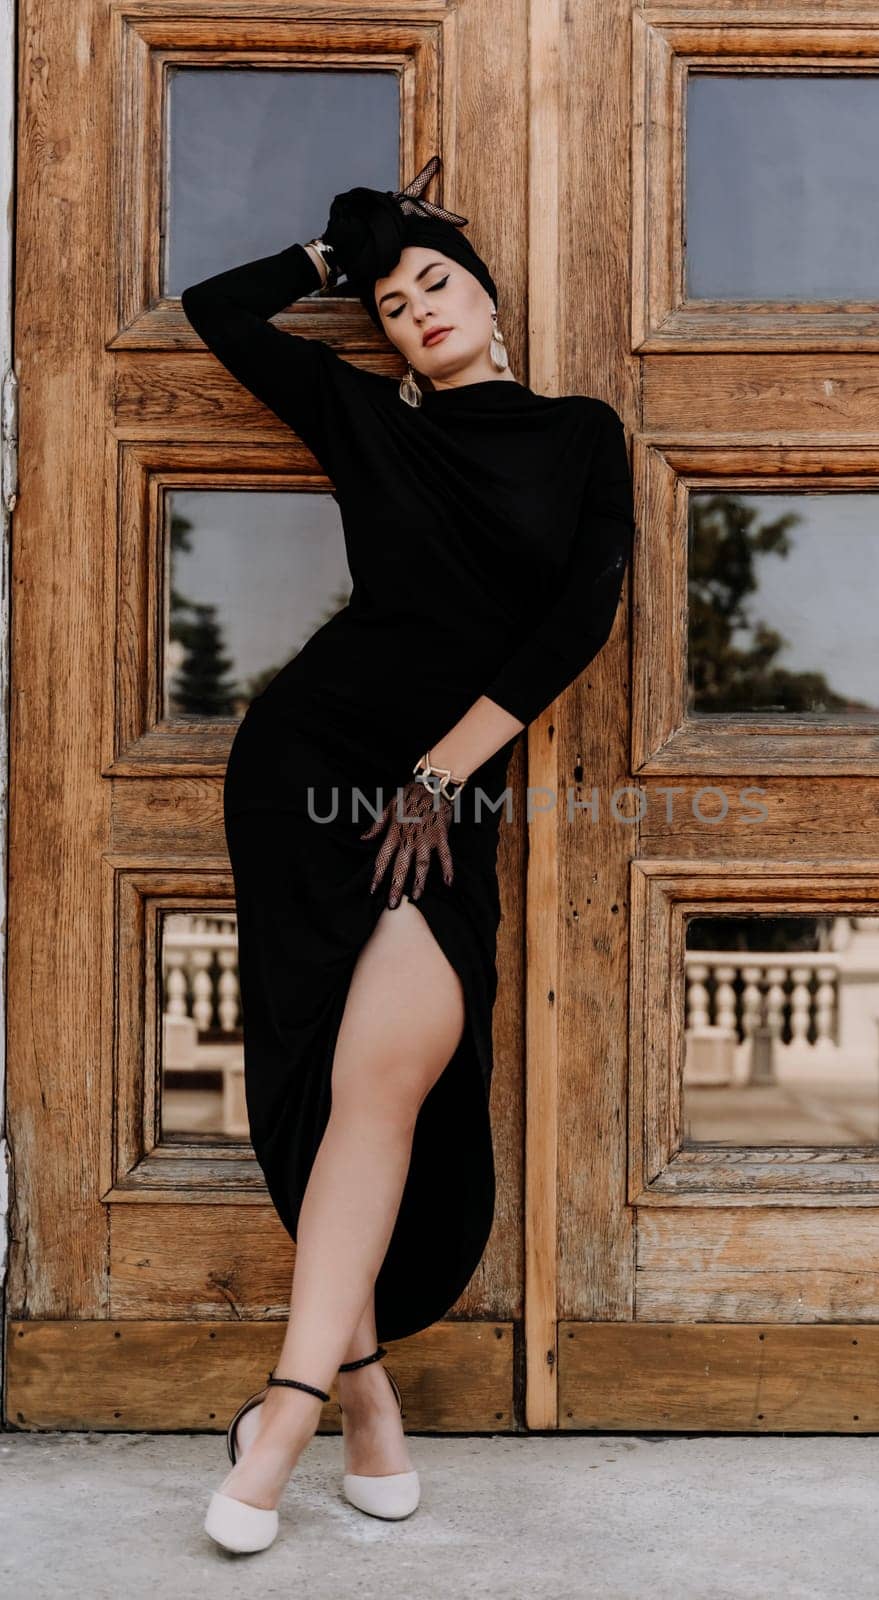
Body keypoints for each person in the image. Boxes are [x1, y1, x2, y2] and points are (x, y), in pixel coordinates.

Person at [181, 154, 635, 1554]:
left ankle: (301, 1410)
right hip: (307, 770)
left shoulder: (577, 434)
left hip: (439, 796)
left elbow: (579, 621)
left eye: (438, 283)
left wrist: (445, 771)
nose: (418, 311)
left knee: (384, 1085)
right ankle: (351, 1398)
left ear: (492, 304)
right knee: (329, 1099)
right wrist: (339, 253)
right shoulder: (370, 417)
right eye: (394, 304)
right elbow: (217, 312)